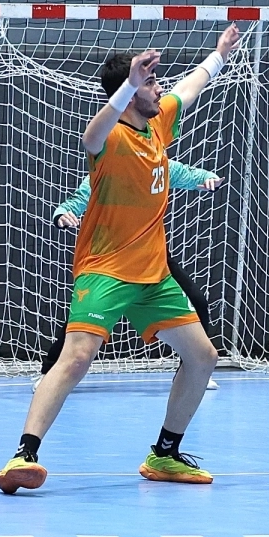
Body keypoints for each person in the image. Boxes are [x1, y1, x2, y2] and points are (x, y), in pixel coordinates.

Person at [0, 25, 241, 494]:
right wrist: (130, 82)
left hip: (153, 275)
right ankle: (23, 456)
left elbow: (189, 88)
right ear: (129, 92)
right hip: (105, 270)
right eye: (151, 82)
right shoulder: (110, 139)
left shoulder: (158, 124)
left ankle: (164, 455)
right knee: (76, 357)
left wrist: (219, 55)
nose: (159, 88)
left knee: (203, 356)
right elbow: (91, 134)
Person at [42, 162, 224, 392]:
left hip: (152, 258)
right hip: (111, 262)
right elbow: (75, 202)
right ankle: (50, 370)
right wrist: (62, 215)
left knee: (197, 302)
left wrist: (209, 178)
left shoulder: (159, 166)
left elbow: (192, 175)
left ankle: (193, 372)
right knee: (85, 322)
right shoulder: (106, 172)